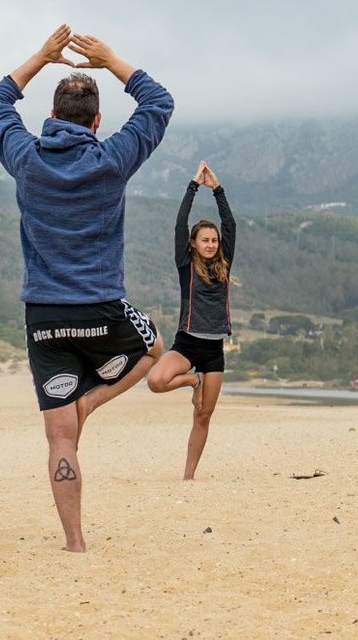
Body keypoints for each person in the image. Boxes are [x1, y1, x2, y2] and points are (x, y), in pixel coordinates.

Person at [0, 24, 173, 552]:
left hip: (43, 314)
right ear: (96, 121)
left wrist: (43, 57)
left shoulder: (26, 157)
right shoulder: (111, 159)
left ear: (49, 119)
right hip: (101, 307)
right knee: (155, 347)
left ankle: (74, 543)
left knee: (58, 438)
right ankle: (92, 401)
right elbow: (158, 103)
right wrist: (110, 59)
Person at [146, 161, 237, 480]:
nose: (211, 244)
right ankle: (194, 381)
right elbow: (180, 224)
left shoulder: (224, 266)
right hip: (186, 345)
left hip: (214, 351)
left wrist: (218, 190)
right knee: (156, 382)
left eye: (214, 240)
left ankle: (188, 477)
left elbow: (230, 225)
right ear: (194, 244)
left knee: (203, 415)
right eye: (205, 240)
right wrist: (193, 187)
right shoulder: (185, 265)